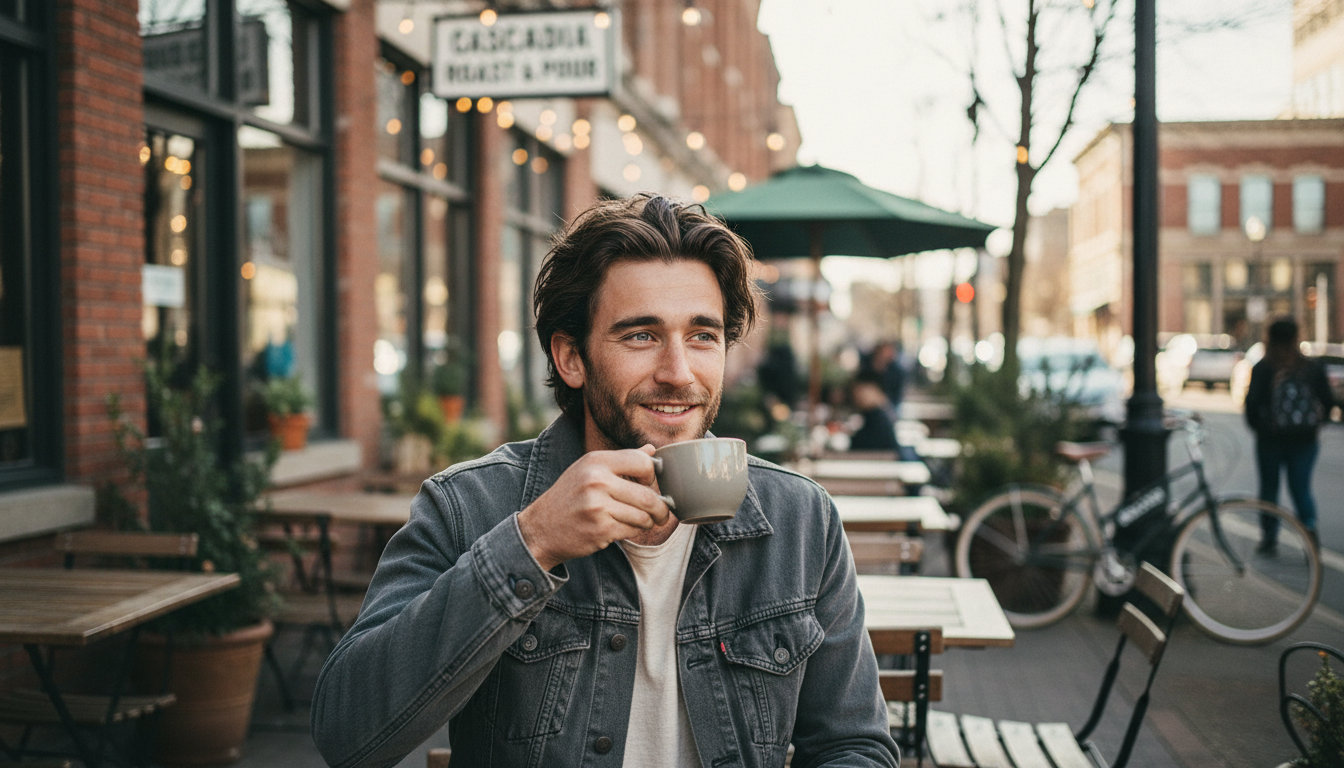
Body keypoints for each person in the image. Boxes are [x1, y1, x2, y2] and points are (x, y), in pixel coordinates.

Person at [310, 195, 899, 768]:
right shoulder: (469, 506)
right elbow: (348, 735)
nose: (678, 373)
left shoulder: (802, 520)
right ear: (571, 358)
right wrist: (532, 543)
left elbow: (854, 745)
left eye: (702, 335)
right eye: (641, 335)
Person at [1243, 317, 1334, 552]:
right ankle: (1310, 536)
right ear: (1296, 337)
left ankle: (1269, 538)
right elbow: (1328, 401)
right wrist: (1315, 425)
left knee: (1269, 489)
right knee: (1301, 488)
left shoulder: (1263, 367)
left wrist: (1260, 428)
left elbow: (1251, 405)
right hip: (1305, 439)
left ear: (1269, 338)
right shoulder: (1311, 367)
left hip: (1270, 439)